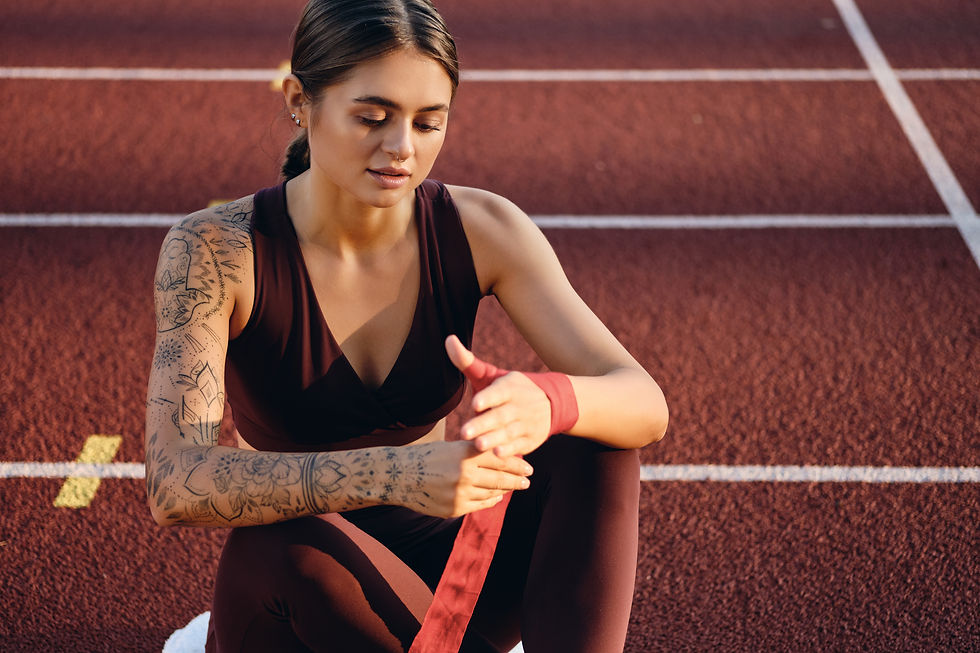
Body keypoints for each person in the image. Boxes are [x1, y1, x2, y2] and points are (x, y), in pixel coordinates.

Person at [144, 0, 669, 651]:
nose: (402, 148)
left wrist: (549, 399)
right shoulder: (216, 250)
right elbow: (173, 482)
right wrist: (396, 473)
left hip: (452, 581)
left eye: (429, 122)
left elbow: (645, 402)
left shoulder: (483, 229)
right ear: (299, 102)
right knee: (280, 541)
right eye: (372, 117)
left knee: (594, 436)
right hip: (303, 594)